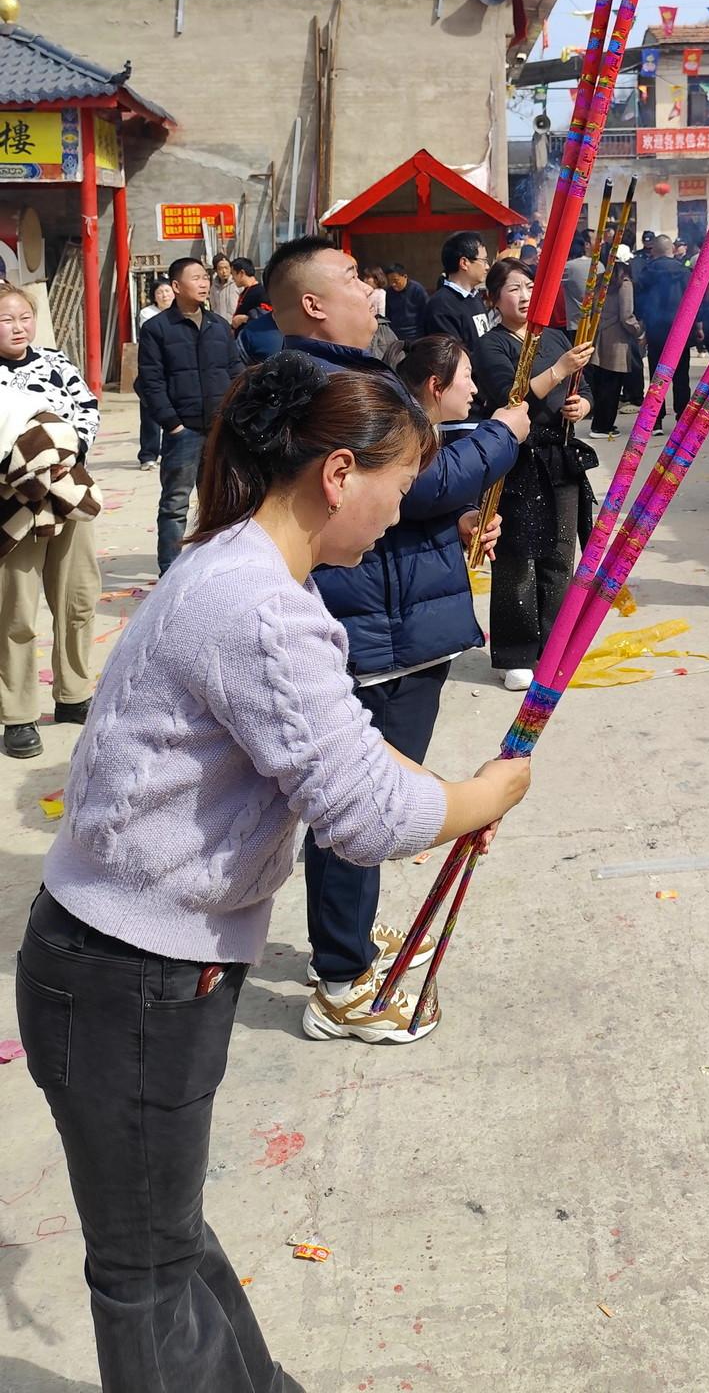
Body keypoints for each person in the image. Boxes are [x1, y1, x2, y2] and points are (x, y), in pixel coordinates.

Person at [16, 352, 529, 1391]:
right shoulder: (258, 606)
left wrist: (451, 791)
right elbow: (364, 814)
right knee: (145, 1267)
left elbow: (335, 748)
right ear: (338, 474)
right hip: (130, 973)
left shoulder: (236, 566)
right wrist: (483, 796)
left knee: (164, 1236)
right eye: (398, 485)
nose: (402, 511)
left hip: (132, 965)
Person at [302, 331, 527, 1041]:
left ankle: (349, 938)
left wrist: (456, 528)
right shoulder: (339, 396)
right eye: (465, 378)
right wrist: (508, 430)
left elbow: (413, 509)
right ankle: (341, 984)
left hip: (405, 638)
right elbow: (429, 485)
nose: (475, 391)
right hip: (379, 643)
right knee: (358, 810)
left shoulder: (368, 397)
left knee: (363, 809)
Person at [473, 259, 595, 688]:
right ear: (494, 299)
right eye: (513, 289)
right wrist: (559, 369)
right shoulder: (491, 345)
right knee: (517, 557)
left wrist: (582, 405)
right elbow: (512, 398)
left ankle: (552, 647)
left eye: (529, 286)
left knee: (560, 556)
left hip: (560, 456)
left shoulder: (555, 337)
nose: (524, 296)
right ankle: (515, 653)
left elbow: (584, 388)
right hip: (518, 461)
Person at [0, 285, 102, 759]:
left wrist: (67, 455)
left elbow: (86, 410)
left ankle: (74, 694)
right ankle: (17, 713)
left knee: (77, 598)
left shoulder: (56, 363)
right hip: (12, 504)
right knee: (15, 612)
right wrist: (22, 469)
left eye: (25, 317)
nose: (18, 327)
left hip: (67, 493)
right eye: (6, 319)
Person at [135, 256, 243, 572]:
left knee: (218, 502)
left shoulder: (218, 325)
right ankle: (170, 568)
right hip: (183, 431)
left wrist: (236, 412)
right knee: (175, 503)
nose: (204, 282)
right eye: (195, 277)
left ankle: (212, 565)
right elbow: (150, 381)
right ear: (176, 286)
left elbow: (235, 370)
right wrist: (172, 424)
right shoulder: (157, 329)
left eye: (205, 277)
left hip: (219, 428)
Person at [634, 234, 691, 430]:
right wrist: (698, 326)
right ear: (672, 249)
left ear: (653, 250)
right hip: (680, 331)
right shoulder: (685, 272)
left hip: (656, 330)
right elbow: (693, 301)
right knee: (681, 377)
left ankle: (655, 421)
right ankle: (682, 420)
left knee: (657, 377)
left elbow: (639, 302)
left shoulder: (646, 272)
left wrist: (641, 326)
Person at [589, 246, 644, 437]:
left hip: (600, 336)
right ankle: (603, 426)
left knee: (602, 383)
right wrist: (638, 330)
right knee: (612, 386)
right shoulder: (624, 284)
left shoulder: (600, 280)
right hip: (618, 341)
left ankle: (598, 423)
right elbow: (626, 316)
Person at [422, 231, 492, 354]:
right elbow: (453, 356)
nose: (487, 267)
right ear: (464, 263)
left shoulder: (474, 297)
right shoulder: (441, 305)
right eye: (484, 260)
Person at [137, 277, 174, 466]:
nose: (164, 295)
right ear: (154, 296)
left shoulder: (182, 312)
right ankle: (148, 455)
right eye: (160, 292)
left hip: (175, 370)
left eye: (167, 291)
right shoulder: (147, 314)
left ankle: (170, 453)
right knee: (150, 413)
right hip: (153, 369)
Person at [384, 259, 429, 342]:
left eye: (395, 280)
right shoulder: (389, 292)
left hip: (415, 334)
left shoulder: (417, 289)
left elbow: (426, 313)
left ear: (405, 276)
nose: (393, 284)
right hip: (396, 335)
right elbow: (388, 314)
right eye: (390, 281)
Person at [229, 256, 265, 329]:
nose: (232, 278)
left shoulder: (261, 292)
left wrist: (244, 319)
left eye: (233, 274)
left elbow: (266, 315)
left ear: (241, 273)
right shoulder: (245, 291)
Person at [209, 253, 240, 323]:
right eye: (220, 269)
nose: (224, 271)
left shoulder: (237, 284)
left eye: (226, 268)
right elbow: (213, 306)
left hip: (235, 323)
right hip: (220, 323)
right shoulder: (214, 287)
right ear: (216, 270)